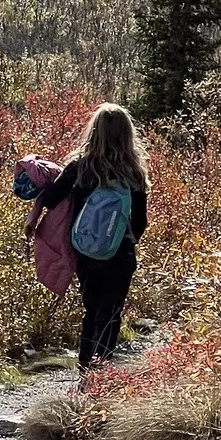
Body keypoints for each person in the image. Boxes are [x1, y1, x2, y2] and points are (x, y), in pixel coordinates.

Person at [34, 102, 149, 370]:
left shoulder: (81, 167)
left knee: (92, 310)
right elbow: (140, 222)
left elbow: (51, 198)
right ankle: (102, 370)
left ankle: (86, 369)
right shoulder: (133, 172)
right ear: (126, 134)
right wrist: (124, 242)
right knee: (111, 313)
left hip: (85, 251)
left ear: (94, 131)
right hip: (120, 253)